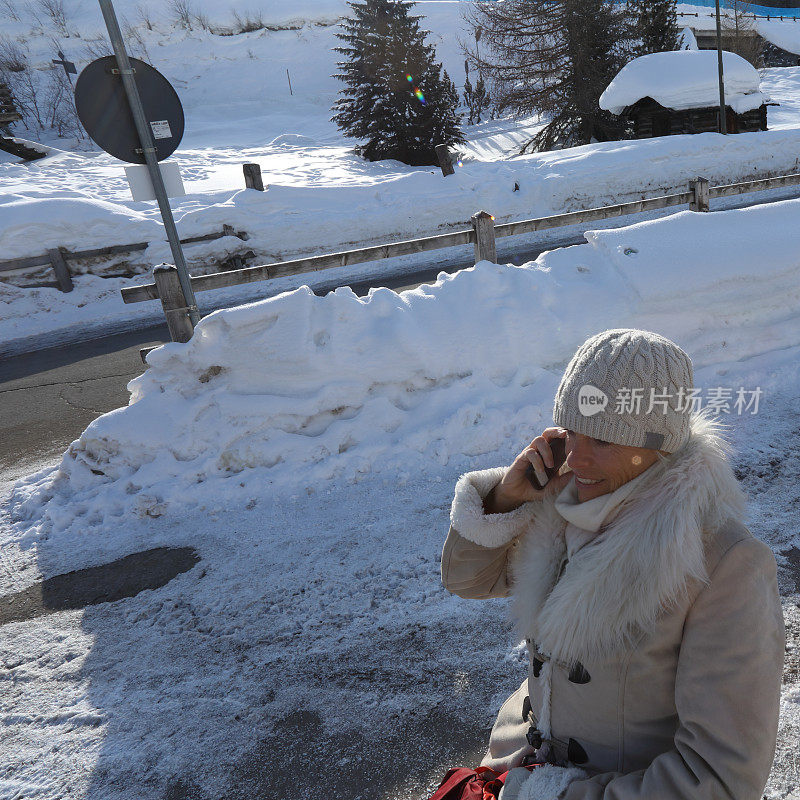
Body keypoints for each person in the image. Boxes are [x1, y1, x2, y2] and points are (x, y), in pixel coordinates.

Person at [440, 328, 785, 800]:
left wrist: (553, 794)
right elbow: (466, 579)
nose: (576, 459)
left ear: (658, 445)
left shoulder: (725, 565)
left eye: (602, 439)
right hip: (519, 768)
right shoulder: (563, 506)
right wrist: (504, 500)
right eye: (570, 432)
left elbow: (720, 778)